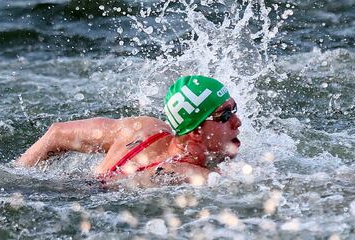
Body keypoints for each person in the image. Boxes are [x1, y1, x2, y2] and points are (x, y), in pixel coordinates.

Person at [16, 75, 242, 186]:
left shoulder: (143, 129)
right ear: (195, 132)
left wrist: (17, 173)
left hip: (69, 188)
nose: (237, 122)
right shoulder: (191, 174)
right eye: (224, 115)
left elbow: (56, 133)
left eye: (234, 110)